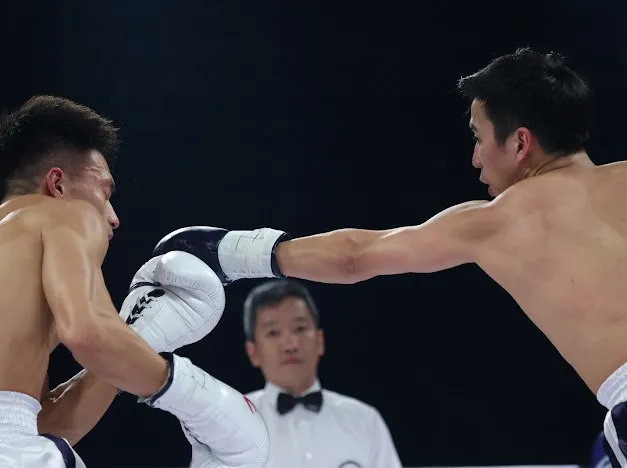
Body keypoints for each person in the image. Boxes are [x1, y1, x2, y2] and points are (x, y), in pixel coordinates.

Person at [153, 47, 627, 466]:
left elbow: (355, 257)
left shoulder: (499, 220)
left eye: (479, 137)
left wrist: (229, 252)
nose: (476, 158)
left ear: (520, 142)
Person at [0, 95, 269, 467]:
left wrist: (139, 336)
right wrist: (204, 401)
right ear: (57, 184)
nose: (113, 217)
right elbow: (88, 334)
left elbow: (40, 429)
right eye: (105, 192)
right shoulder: (66, 215)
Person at [242, 279, 402, 468]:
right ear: (252, 351)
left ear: (320, 340)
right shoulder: (235, 421)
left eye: (300, 328)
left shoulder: (365, 420)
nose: (290, 345)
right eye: (273, 333)